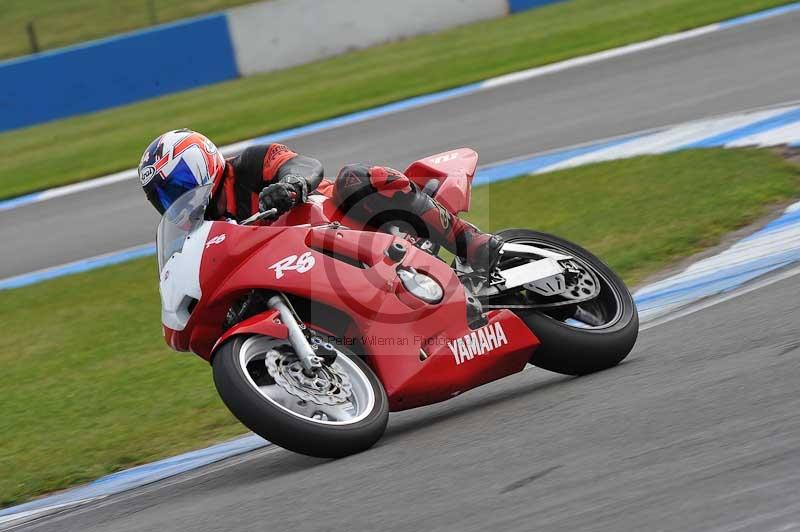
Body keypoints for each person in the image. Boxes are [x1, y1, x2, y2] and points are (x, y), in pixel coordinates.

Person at [139, 129, 502, 271]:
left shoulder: (248, 165)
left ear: (204, 160)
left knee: (357, 177)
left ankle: (471, 244)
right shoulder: (203, 232)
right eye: (166, 193)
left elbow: (302, 164)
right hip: (304, 267)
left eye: (182, 181)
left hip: (341, 221)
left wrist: (292, 184)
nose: (179, 195)